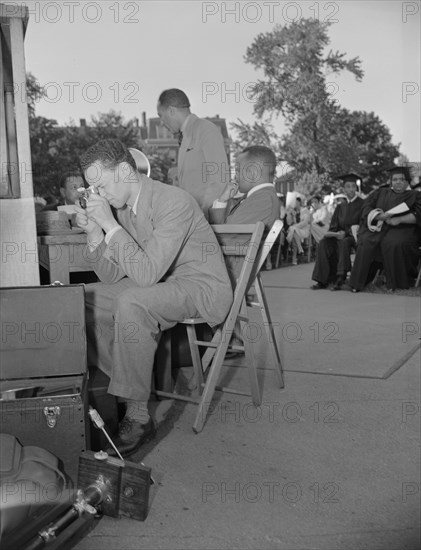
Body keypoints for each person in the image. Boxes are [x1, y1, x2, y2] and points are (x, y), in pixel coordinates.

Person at [74, 139, 233, 456]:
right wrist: (95, 233)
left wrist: (107, 223)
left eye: (101, 186)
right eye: (93, 191)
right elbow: (110, 276)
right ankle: (127, 384)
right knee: (79, 300)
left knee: (132, 303)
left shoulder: (172, 201)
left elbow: (144, 276)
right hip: (160, 281)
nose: (99, 197)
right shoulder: (123, 209)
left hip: (200, 286)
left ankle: (137, 414)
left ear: (124, 171)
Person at [208, 145, 279, 278]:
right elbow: (225, 232)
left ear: (252, 173)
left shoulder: (263, 200)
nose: (235, 177)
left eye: (238, 170)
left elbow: (223, 238)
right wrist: (223, 200)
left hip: (224, 274)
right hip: (225, 269)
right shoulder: (260, 198)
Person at [157, 88, 228, 218]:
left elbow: (220, 179)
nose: (162, 123)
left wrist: (204, 215)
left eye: (161, 116)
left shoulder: (206, 129)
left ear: (171, 111)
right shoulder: (185, 137)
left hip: (205, 221)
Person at [349, 166, 421, 291]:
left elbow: (419, 214)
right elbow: (366, 207)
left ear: (407, 182)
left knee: (394, 243)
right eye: (395, 179)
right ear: (391, 181)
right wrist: (378, 216)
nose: (398, 182)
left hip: (404, 229)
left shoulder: (415, 195)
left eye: (402, 179)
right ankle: (359, 282)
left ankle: (396, 282)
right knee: (366, 241)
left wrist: (399, 220)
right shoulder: (381, 192)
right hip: (380, 227)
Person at [311, 174, 364, 290]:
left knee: (344, 241)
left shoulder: (362, 204)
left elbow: (363, 224)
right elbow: (334, 226)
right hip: (339, 235)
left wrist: (348, 232)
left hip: (354, 237)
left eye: (353, 187)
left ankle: (341, 276)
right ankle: (323, 280)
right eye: (348, 187)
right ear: (344, 189)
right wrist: (335, 233)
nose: (351, 189)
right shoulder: (340, 206)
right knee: (323, 243)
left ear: (356, 188)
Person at [286, 197, 311, 265]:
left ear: (300, 202)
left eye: (297, 202)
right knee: (293, 232)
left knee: (292, 230)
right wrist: (289, 214)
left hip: (303, 230)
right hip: (295, 232)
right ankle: (299, 250)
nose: (295, 204)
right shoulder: (293, 211)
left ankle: (295, 257)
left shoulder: (305, 210)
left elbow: (305, 222)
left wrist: (295, 226)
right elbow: (289, 223)